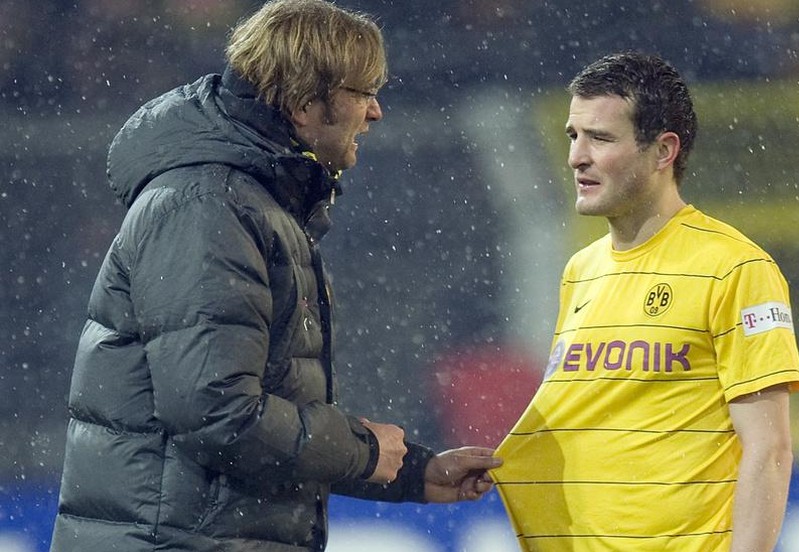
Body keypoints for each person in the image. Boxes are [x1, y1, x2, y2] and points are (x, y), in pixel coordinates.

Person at [50, 1, 501, 550]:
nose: (377, 111)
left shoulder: (252, 200)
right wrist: (362, 450)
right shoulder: (208, 203)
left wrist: (408, 472)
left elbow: (258, 413)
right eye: (363, 92)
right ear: (306, 103)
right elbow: (218, 414)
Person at [491, 52, 799, 551]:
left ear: (663, 151)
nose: (577, 156)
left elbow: (769, 451)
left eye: (601, 138)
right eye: (574, 136)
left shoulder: (735, 268)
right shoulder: (581, 271)